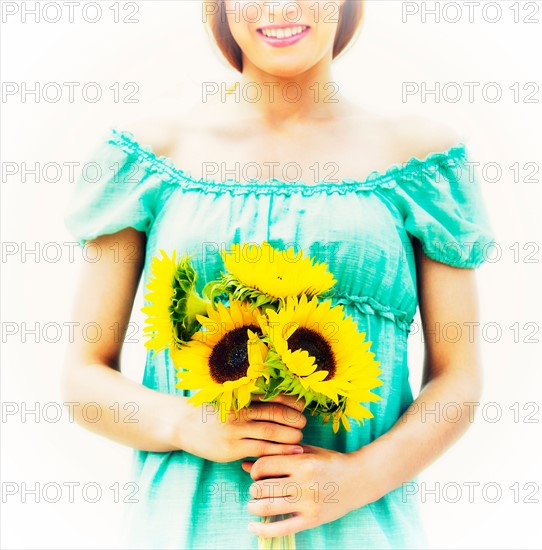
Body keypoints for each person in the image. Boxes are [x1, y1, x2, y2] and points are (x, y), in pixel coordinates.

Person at [62, 1, 497, 548]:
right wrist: (184, 423)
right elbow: (82, 379)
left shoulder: (424, 159)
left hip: (364, 531)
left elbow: (458, 381)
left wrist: (356, 479)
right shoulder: (145, 155)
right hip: (184, 530)